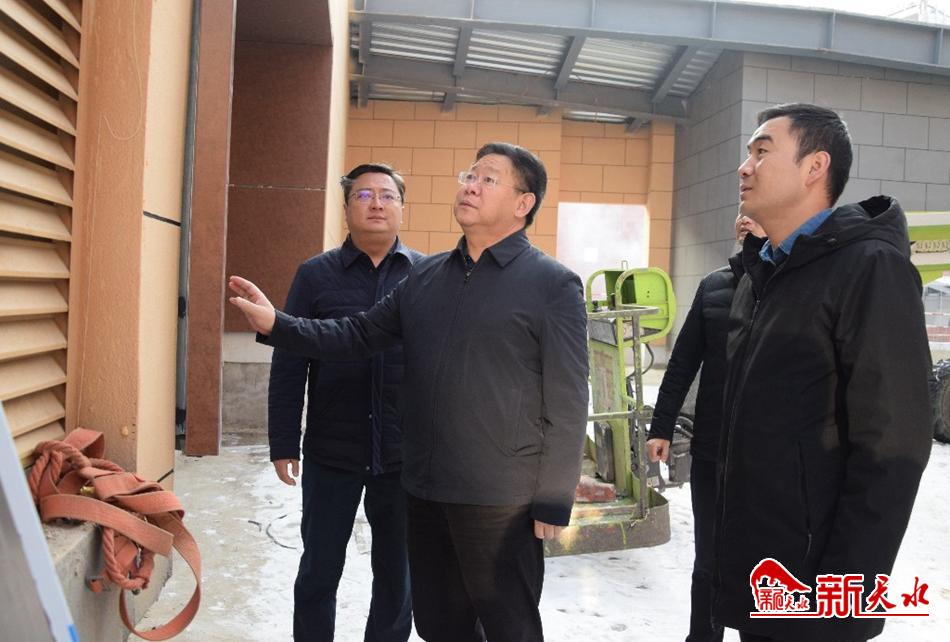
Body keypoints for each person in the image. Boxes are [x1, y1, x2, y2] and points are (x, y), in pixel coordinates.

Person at [230, 142, 589, 642]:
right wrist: (279, 324)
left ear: (523, 203)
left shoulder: (551, 284)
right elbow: (357, 333)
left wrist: (553, 497)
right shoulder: (427, 277)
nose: (470, 186)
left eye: (487, 179)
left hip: (499, 499)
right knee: (438, 624)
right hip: (424, 491)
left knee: (509, 626)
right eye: (469, 175)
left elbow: (568, 399)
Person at [716, 103, 932, 641]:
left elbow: (893, 448)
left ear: (815, 167)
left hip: (817, 596)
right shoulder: (764, 274)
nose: (745, 166)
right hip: (762, 578)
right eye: (748, 153)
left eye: (762, 152)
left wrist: (842, 603)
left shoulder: (869, 268)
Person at [268, 163, 423, 641]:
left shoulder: (425, 276)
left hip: (402, 455)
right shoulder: (315, 275)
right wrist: (283, 440)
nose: (376, 204)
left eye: (387, 195)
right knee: (319, 569)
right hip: (331, 452)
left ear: (402, 208)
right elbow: (290, 360)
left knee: (397, 577)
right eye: (363, 195)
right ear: (346, 208)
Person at [646, 211, 764, 642]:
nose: (746, 219)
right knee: (709, 560)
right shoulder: (714, 286)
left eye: (757, 215)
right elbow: (682, 362)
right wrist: (660, 426)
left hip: (766, 459)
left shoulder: (789, 287)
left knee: (761, 563)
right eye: (742, 214)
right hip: (712, 448)